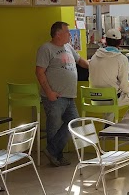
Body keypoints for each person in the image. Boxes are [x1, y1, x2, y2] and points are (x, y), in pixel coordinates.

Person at [36, 21, 89, 166]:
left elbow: (80, 61)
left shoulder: (68, 47)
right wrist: (49, 92)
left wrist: (95, 65)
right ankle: (56, 157)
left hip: (69, 95)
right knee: (54, 126)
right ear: (58, 34)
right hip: (54, 95)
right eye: (67, 32)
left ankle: (52, 151)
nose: (70, 35)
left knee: (74, 122)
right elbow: (39, 72)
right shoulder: (46, 49)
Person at [89, 27, 129, 119]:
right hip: (112, 99)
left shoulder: (94, 57)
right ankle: (123, 127)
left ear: (106, 41)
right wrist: (128, 93)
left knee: (113, 100)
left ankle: (109, 129)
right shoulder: (121, 59)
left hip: (94, 99)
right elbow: (124, 85)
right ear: (120, 42)